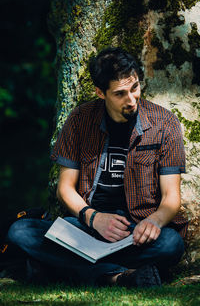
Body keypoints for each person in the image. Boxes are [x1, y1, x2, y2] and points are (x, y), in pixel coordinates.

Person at [7, 47, 188, 287]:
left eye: (134, 88)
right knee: (20, 231)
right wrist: (94, 219)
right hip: (87, 227)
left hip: (136, 229)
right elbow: (65, 188)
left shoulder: (165, 123)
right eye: (120, 93)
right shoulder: (80, 120)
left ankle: (65, 268)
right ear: (100, 93)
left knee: (171, 244)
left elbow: (171, 197)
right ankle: (117, 276)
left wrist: (154, 221)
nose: (132, 100)